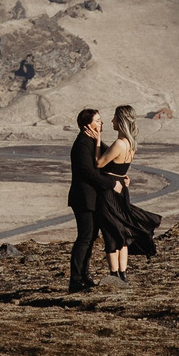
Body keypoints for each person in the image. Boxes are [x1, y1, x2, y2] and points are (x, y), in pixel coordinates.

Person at [98, 104, 162, 279]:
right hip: (122, 189)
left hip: (110, 192)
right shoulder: (131, 144)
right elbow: (121, 169)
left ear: (121, 120)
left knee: (111, 232)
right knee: (122, 230)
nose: (112, 120)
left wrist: (97, 141)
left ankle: (114, 274)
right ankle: (123, 273)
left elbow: (99, 163)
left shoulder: (119, 143)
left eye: (114, 117)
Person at [65, 107, 117, 291]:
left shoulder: (92, 141)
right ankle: (75, 279)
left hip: (92, 198)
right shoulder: (82, 143)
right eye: (97, 120)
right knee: (85, 237)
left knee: (91, 236)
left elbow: (108, 157)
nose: (101, 123)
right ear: (87, 125)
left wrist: (99, 139)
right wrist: (111, 183)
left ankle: (84, 275)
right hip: (83, 198)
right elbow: (88, 172)